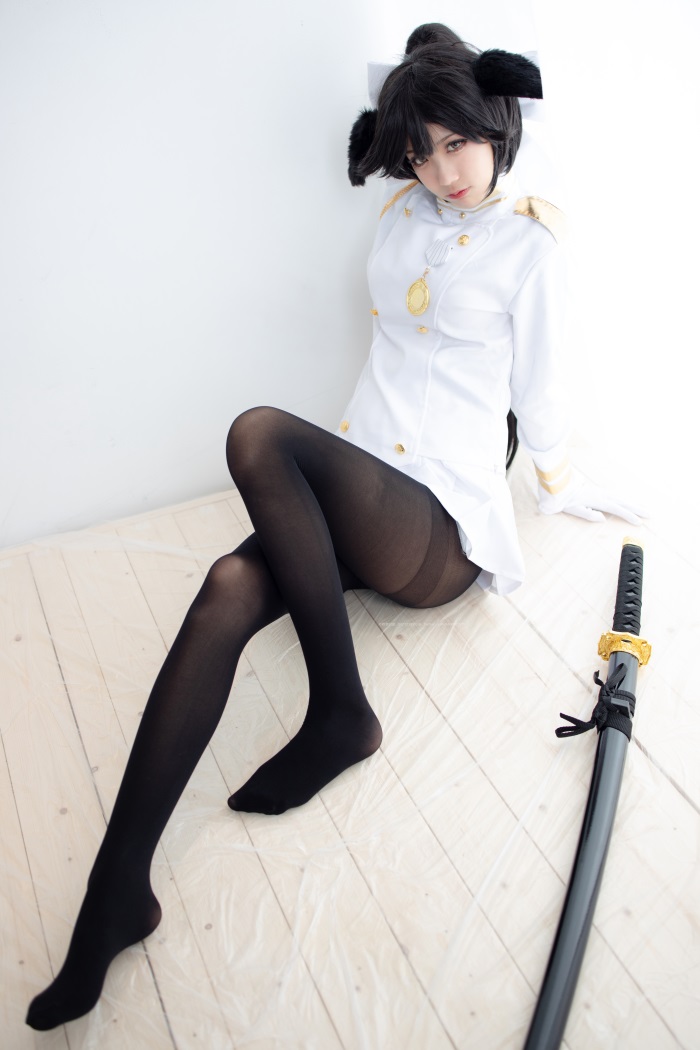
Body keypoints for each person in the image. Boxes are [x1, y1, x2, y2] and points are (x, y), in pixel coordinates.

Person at [25, 23, 641, 1031]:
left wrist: (561, 483)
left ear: (498, 123)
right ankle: (115, 892)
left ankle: (340, 710)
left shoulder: (532, 246)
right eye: (421, 150)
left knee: (258, 433)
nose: (443, 170)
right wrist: (407, 105)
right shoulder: (399, 213)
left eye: (458, 142)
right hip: (365, 488)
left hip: (437, 527)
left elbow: (541, 392)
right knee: (228, 585)